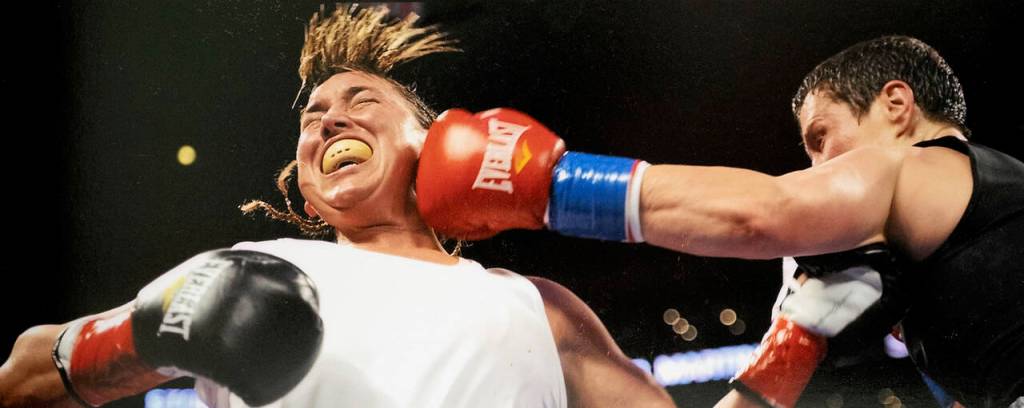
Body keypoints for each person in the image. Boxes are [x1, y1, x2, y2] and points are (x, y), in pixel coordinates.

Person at [0, 5, 675, 408]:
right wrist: (139, 337)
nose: (328, 124)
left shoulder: (537, 307)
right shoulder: (253, 269)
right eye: (313, 119)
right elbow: (21, 378)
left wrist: (784, 353)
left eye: (360, 105)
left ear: (435, 140)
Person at [415, 35, 1024, 407]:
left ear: (896, 104)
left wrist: (547, 184)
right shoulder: (974, 217)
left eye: (821, 138)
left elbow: (760, 216)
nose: (815, 167)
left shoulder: (909, 169)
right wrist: (787, 355)